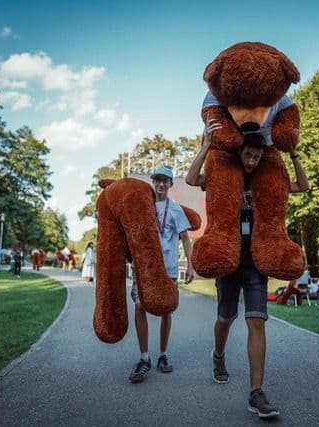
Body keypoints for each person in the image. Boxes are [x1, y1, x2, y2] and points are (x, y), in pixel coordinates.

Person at [186, 124, 308, 419]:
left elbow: (302, 186)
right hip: (228, 258)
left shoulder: (268, 178)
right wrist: (205, 145)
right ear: (240, 152)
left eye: (256, 156)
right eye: (248, 155)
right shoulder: (224, 175)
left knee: (257, 321)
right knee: (225, 318)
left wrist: (293, 153)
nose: (252, 160)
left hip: (255, 260)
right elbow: (191, 179)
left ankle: (256, 393)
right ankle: (218, 356)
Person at [128, 165, 195, 384]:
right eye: (157, 180)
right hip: (145, 268)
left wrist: (191, 266)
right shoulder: (143, 207)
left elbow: (185, 238)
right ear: (153, 182)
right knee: (140, 306)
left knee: (167, 310)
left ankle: (163, 355)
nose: (161, 184)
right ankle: (144, 357)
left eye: (165, 180)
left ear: (171, 184)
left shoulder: (175, 209)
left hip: (168, 269)